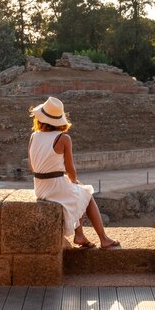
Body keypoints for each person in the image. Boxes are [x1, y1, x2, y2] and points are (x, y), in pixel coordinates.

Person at [27, 97, 120, 249]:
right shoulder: (63, 138)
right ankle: (103, 239)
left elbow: (32, 166)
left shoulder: (34, 136)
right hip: (55, 187)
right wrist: (74, 181)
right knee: (86, 194)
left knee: (78, 192)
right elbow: (70, 169)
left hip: (40, 187)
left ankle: (80, 235)